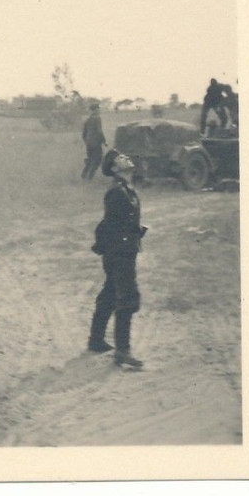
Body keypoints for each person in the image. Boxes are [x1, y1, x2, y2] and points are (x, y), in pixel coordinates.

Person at [87, 150, 147, 369]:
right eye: (120, 158)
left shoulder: (126, 189)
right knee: (128, 298)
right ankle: (122, 351)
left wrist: (137, 234)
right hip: (120, 252)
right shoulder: (117, 192)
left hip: (121, 250)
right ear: (114, 168)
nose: (126, 158)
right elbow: (109, 224)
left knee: (111, 293)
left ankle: (96, 340)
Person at [80, 103, 107, 180]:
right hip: (96, 143)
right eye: (98, 108)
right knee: (97, 160)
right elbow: (99, 131)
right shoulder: (97, 118)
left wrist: (87, 142)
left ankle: (84, 174)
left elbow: (83, 134)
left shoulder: (87, 120)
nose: (99, 110)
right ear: (95, 110)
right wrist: (104, 141)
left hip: (89, 143)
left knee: (90, 159)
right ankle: (89, 178)